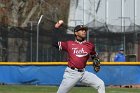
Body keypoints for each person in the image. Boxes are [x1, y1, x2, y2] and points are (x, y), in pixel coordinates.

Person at [53, 20, 105, 93]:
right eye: (81, 30)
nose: (84, 31)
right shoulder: (69, 44)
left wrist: (96, 62)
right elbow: (54, 43)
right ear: (76, 33)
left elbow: (94, 55)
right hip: (71, 73)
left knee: (100, 84)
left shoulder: (89, 45)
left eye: (85, 30)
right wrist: (56, 28)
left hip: (83, 73)